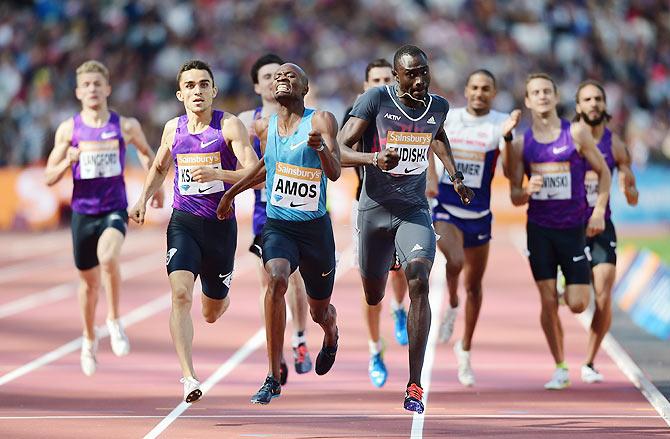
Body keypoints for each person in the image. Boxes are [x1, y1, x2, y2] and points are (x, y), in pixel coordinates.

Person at [338, 45, 474, 414]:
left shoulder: (438, 106)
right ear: (397, 77)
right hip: (374, 211)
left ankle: (414, 384)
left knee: (419, 278)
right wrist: (373, 158)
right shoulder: (375, 100)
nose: (419, 80)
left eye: (424, 73)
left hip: (413, 210)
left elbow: (438, 136)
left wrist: (455, 176)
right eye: (411, 74)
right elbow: (339, 148)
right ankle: (387, 267)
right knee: (373, 295)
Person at [128, 60, 259, 403]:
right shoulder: (173, 129)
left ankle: (220, 295)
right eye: (190, 85)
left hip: (220, 225)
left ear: (214, 91)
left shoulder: (228, 127)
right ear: (180, 93)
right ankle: (188, 376)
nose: (197, 91)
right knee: (180, 295)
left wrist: (221, 177)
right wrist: (142, 198)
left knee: (211, 311)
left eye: (204, 84)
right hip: (183, 222)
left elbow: (254, 173)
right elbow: (159, 167)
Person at [217, 63, 341, 405]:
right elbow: (264, 167)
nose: (282, 79)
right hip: (278, 225)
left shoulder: (321, 121)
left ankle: (330, 333)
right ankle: (273, 376)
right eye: (277, 76)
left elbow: (335, 172)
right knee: (276, 278)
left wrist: (320, 149)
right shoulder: (265, 126)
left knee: (320, 311)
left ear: (304, 88)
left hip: (314, 229)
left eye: (291, 77)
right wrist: (231, 193)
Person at [45, 60, 163, 376]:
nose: (92, 89)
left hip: (114, 208)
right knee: (88, 285)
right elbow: (48, 177)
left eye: (98, 83)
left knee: (108, 257)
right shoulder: (69, 130)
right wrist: (66, 161)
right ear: (78, 92)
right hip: (83, 211)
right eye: (86, 85)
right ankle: (88, 338)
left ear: (108, 88)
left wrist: (156, 188)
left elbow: (148, 153)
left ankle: (113, 319)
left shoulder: (125, 125)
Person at [507, 73, 611, 390]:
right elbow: (514, 195)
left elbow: (604, 173)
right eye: (535, 92)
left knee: (578, 303)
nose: (542, 96)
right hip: (539, 229)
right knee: (548, 300)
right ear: (527, 100)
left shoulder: (576, 132)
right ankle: (560, 365)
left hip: (573, 229)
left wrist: (598, 212)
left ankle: (569, 280)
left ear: (554, 97)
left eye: (547, 91)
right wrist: (527, 189)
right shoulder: (522, 143)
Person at [426, 69, 520, 387]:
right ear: (466, 90)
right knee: (454, 261)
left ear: (493, 94)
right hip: (446, 209)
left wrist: (507, 138)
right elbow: (427, 146)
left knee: (475, 287)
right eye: (475, 87)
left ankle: (464, 348)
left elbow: (509, 170)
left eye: (486, 89)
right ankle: (451, 302)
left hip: (479, 214)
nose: (480, 93)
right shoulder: (449, 118)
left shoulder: (501, 122)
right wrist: (431, 179)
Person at [238, 54, 312, 384]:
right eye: (266, 76)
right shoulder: (245, 120)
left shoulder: (302, 118)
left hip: (298, 209)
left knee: (294, 279)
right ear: (256, 85)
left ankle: (298, 339)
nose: (272, 80)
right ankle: (276, 349)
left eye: (278, 74)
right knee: (268, 281)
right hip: (264, 212)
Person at [342, 58, 409, 388]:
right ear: (366, 84)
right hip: (367, 205)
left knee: (403, 270)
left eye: (387, 78)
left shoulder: (407, 112)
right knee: (371, 286)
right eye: (376, 79)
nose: (382, 84)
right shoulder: (356, 114)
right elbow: (337, 154)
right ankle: (374, 350)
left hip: (405, 203)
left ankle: (400, 308)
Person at [574, 80, 639, 383]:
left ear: (604, 105)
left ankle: (589, 361)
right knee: (578, 301)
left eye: (598, 98)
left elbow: (628, 177)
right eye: (587, 99)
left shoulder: (615, 144)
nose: (594, 103)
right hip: (569, 225)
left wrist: (628, 182)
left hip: (601, 225)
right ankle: (569, 279)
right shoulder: (568, 137)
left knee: (604, 293)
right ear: (579, 106)